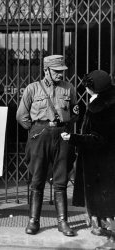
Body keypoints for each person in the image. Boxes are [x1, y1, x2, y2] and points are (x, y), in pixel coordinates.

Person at [16, 55, 79, 236]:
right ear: (46, 70)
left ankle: (63, 222)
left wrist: (62, 126)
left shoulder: (69, 88)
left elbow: (75, 113)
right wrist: (37, 130)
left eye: (62, 71)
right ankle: (34, 221)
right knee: (37, 180)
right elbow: (21, 116)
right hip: (40, 135)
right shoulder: (32, 89)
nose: (60, 74)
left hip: (61, 135)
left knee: (60, 180)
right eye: (56, 71)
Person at [60, 70, 115, 249]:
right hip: (107, 162)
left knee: (108, 204)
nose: (86, 90)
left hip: (102, 163)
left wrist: (73, 138)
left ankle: (112, 242)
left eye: (88, 88)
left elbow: (98, 138)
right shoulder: (108, 101)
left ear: (94, 88)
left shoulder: (101, 107)